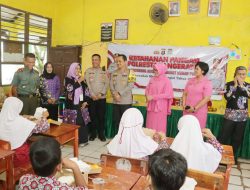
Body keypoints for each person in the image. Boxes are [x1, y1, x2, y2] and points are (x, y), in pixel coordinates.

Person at [19, 137, 88, 189]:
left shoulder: (24, 180)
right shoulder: (61, 188)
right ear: (59, 167)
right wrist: (75, 166)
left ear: (31, 163)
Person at [0, 97, 49, 167]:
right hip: (18, 157)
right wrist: (44, 117)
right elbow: (44, 127)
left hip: (2, 156)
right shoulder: (21, 122)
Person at [219, 66, 250, 161]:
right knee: (224, 136)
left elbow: (248, 95)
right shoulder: (228, 84)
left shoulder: (248, 86)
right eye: (239, 74)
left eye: (243, 74)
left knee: (237, 138)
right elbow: (227, 97)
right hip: (230, 115)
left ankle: (232, 157)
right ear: (235, 74)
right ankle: (219, 156)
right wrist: (235, 86)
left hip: (242, 116)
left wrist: (242, 86)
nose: (241, 76)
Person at [64, 62, 91, 147]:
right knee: (73, 123)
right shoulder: (68, 79)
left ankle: (83, 140)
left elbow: (87, 92)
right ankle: (73, 141)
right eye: (76, 68)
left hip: (81, 104)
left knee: (82, 122)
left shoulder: (81, 79)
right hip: (72, 105)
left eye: (79, 68)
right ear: (72, 69)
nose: (78, 70)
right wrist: (79, 81)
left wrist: (86, 102)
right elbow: (69, 88)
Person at [85, 54, 109, 141]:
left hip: (101, 98)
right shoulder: (88, 71)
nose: (94, 61)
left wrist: (101, 94)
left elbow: (107, 83)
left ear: (99, 60)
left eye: (96, 60)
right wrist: (92, 94)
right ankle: (93, 134)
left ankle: (101, 134)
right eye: (93, 59)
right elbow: (87, 84)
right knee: (92, 116)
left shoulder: (104, 71)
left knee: (101, 117)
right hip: (92, 98)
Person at [110, 54, 136, 132]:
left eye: (120, 61)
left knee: (126, 123)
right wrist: (115, 94)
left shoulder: (131, 72)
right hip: (116, 101)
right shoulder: (113, 72)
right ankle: (119, 139)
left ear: (125, 62)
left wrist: (119, 94)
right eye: (117, 61)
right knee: (117, 122)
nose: (118, 63)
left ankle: (125, 140)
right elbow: (111, 85)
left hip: (126, 102)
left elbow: (131, 85)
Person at [182, 62, 212, 129]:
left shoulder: (207, 82)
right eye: (195, 68)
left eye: (197, 69)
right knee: (185, 130)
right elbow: (184, 94)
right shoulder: (190, 80)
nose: (195, 70)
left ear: (203, 71)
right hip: (187, 110)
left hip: (199, 112)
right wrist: (184, 105)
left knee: (197, 131)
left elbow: (206, 98)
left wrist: (194, 108)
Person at [145, 63, 174, 134]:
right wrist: (147, 95)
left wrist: (153, 97)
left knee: (159, 127)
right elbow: (147, 89)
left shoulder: (166, 81)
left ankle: (160, 144)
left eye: (156, 70)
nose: (154, 71)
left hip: (161, 108)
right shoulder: (152, 79)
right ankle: (149, 144)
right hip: (151, 106)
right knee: (150, 125)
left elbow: (168, 94)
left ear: (161, 70)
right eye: (154, 70)